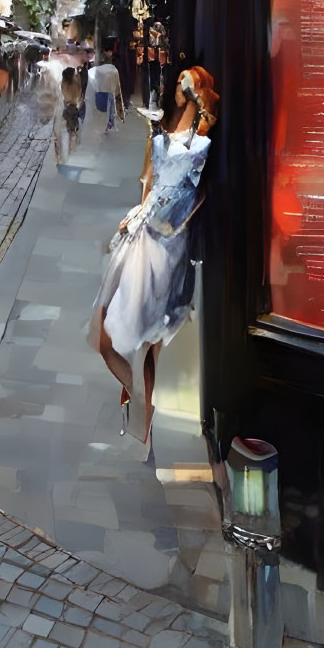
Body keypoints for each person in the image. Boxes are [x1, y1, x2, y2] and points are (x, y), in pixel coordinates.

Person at [86, 65, 219, 447]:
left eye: (186, 83)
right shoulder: (158, 138)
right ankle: (143, 403)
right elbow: (148, 184)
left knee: (150, 339)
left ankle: (145, 423)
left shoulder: (200, 143)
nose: (179, 87)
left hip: (168, 243)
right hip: (140, 237)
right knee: (104, 334)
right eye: (178, 81)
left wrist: (172, 223)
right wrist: (136, 211)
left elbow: (195, 196)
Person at [93, 46, 125, 134]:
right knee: (110, 107)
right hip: (109, 90)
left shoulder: (99, 70)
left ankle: (106, 124)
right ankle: (109, 123)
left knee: (104, 108)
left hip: (101, 90)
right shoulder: (112, 70)